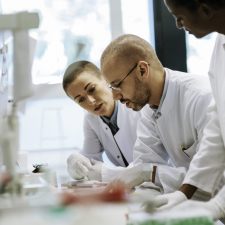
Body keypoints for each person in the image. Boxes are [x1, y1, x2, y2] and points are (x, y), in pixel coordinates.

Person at [100, 34, 224, 201]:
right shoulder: (150, 110)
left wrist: (150, 173)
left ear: (142, 70)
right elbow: (143, 167)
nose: (114, 96)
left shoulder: (202, 98)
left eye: (117, 85)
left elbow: (215, 178)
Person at [153, 0, 225, 220]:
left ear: (205, 9)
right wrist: (184, 193)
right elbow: (218, 124)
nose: (177, 25)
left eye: (180, 17)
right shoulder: (220, 43)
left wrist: (217, 206)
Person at [63, 60, 142, 182]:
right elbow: (90, 162)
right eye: (81, 100)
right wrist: (75, 165)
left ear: (105, 79)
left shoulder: (138, 106)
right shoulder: (91, 119)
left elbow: (150, 168)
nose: (90, 101)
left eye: (92, 89)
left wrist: (108, 174)